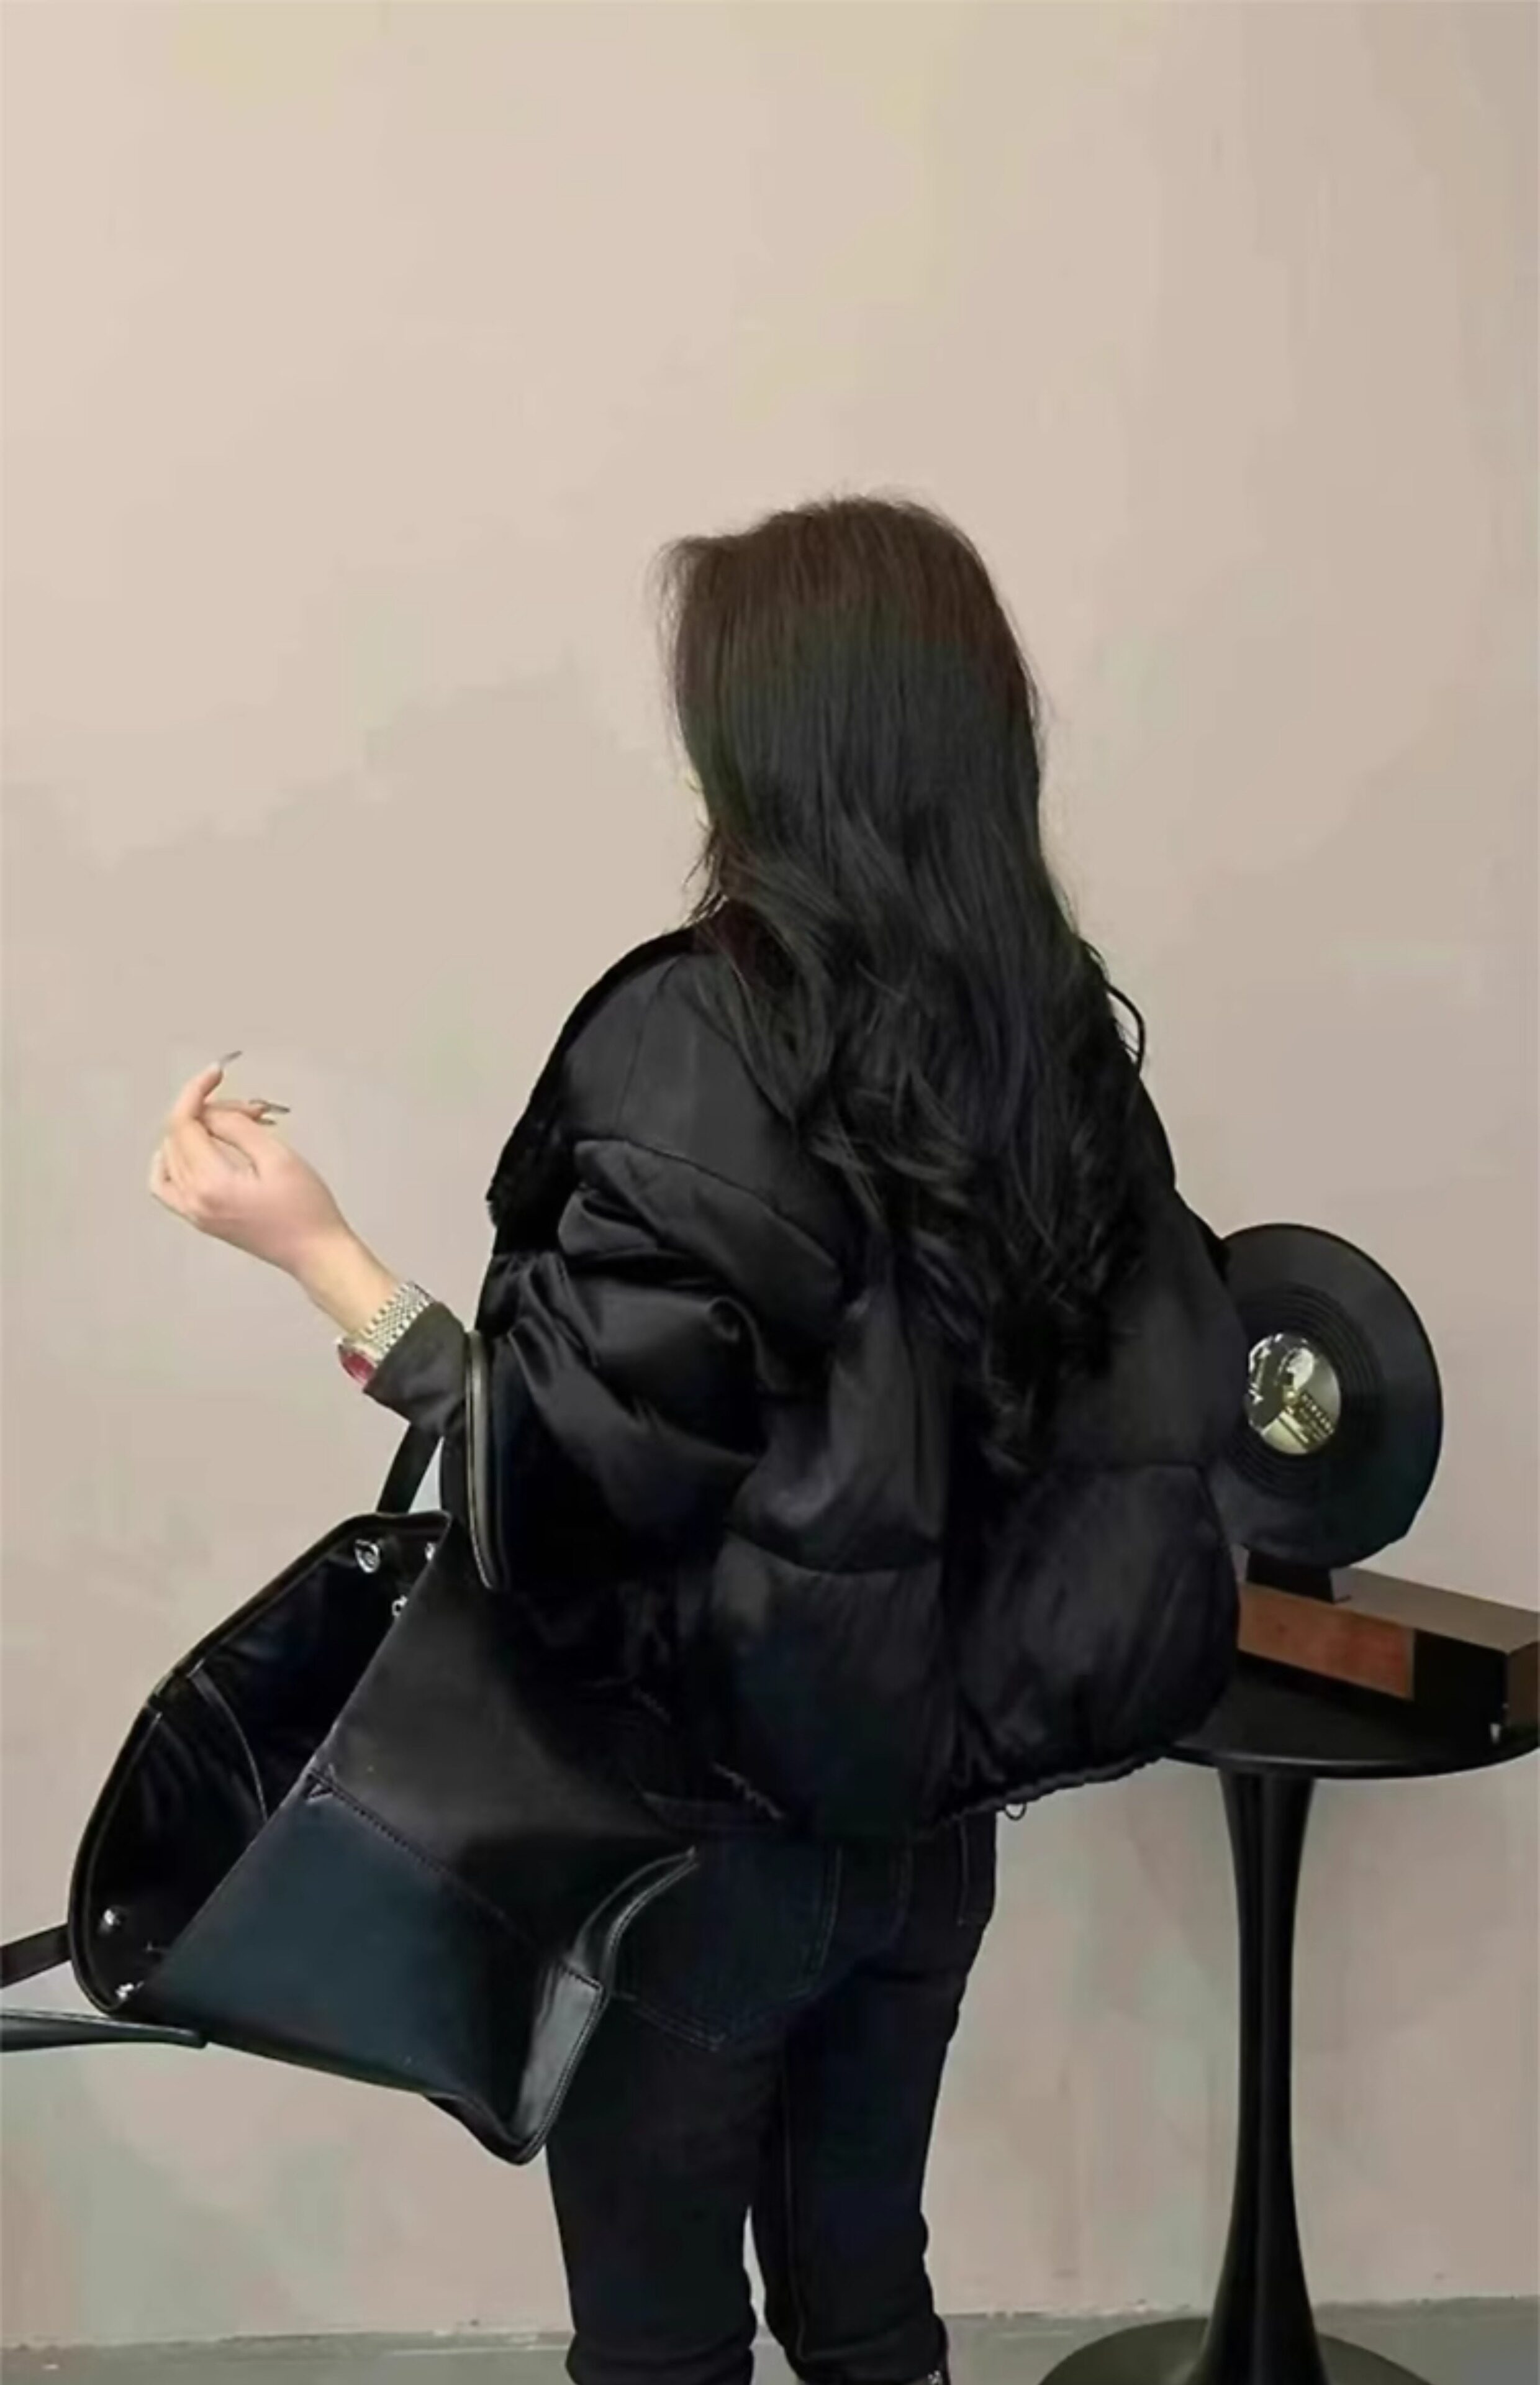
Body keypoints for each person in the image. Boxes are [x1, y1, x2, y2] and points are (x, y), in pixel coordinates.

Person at [149, 497, 1244, 2385]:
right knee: (868, 2306)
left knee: (660, 2342)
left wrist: (327, 1260)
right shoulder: (1052, 1036)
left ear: (773, 745)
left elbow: (561, 1500)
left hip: (704, 1850)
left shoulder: (704, 1037)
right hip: (935, 1844)